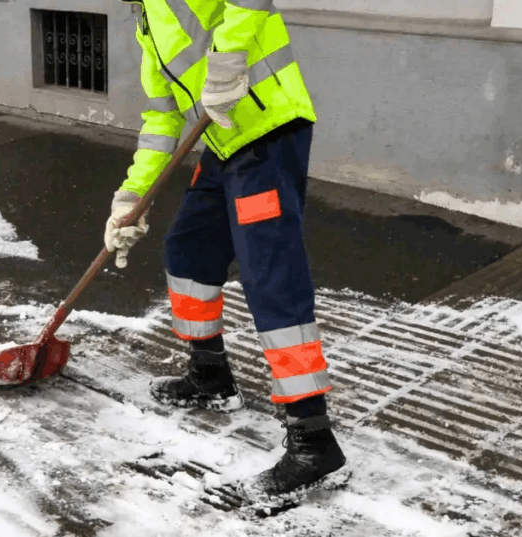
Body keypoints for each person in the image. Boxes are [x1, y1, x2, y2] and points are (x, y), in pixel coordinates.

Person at [105, 0, 350, 505]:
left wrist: (229, 58)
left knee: (270, 275)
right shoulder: (147, 23)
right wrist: (130, 200)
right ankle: (210, 376)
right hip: (223, 144)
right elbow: (161, 118)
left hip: (267, 133)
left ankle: (313, 440)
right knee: (189, 250)